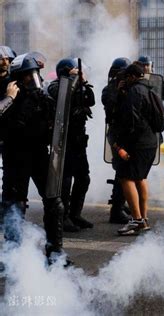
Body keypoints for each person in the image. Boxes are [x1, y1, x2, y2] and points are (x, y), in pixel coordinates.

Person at [1, 52, 71, 265]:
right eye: (28, 76)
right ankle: (12, 256)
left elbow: (57, 124)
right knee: (14, 205)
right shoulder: (5, 93)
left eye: (35, 75)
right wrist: (10, 98)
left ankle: (55, 253)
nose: (33, 80)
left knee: (54, 202)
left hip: (39, 153)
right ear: (17, 78)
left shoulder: (42, 97)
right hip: (15, 155)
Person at [47, 58, 95, 232]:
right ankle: (64, 216)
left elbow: (91, 99)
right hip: (63, 142)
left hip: (78, 142)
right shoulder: (54, 86)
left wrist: (81, 82)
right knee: (65, 180)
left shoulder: (80, 86)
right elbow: (62, 96)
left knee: (84, 178)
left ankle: (76, 214)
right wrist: (71, 79)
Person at [113, 64, 157, 235]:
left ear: (132, 76)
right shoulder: (150, 89)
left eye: (126, 77)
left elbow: (131, 120)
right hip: (150, 141)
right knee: (140, 178)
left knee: (126, 178)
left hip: (137, 143)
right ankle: (143, 219)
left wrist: (121, 144)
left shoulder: (134, 92)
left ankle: (136, 220)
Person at [102, 57, 132, 224]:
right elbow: (110, 109)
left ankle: (122, 203)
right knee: (121, 171)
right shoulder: (109, 90)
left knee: (126, 171)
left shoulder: (129, 88)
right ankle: (116, 210)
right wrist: (118, 92)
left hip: (126, 134)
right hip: (116, 136)